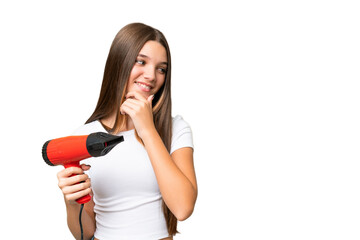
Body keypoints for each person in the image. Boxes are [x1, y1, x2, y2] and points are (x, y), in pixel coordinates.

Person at [56, 23, 197, 240]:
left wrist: (147, 129)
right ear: (119, 62)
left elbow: (183, 207)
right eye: (141, 61)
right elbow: (85, 235)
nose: (151, 75)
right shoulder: (84, 137)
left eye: (161, 69)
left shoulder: (175, 128)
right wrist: (72, 204)